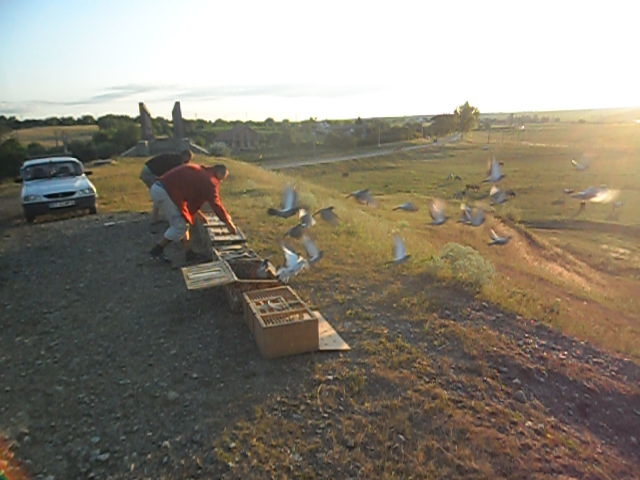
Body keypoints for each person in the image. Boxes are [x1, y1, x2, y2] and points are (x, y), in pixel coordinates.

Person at [148, 163, 237, 263]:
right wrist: (228, 222)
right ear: (219, 173)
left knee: (183, 221)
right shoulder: (209, 180)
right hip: (166, 192)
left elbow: (192, 196)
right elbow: (216, 204)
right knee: (179, 226)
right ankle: (156, 252)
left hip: (161, 189)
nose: (219, 182)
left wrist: (197, 213)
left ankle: (189, 252)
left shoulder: (200, 171)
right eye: (221, 179)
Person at [139, 149, 193, 223]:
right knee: (161, 193)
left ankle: (157, 217)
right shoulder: (178, 162)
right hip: (149, 173)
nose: (187, 163)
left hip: (147, 170)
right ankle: (156, 219)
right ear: (185, 156)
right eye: (188, 160)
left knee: (160, 194)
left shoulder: (174, 158)